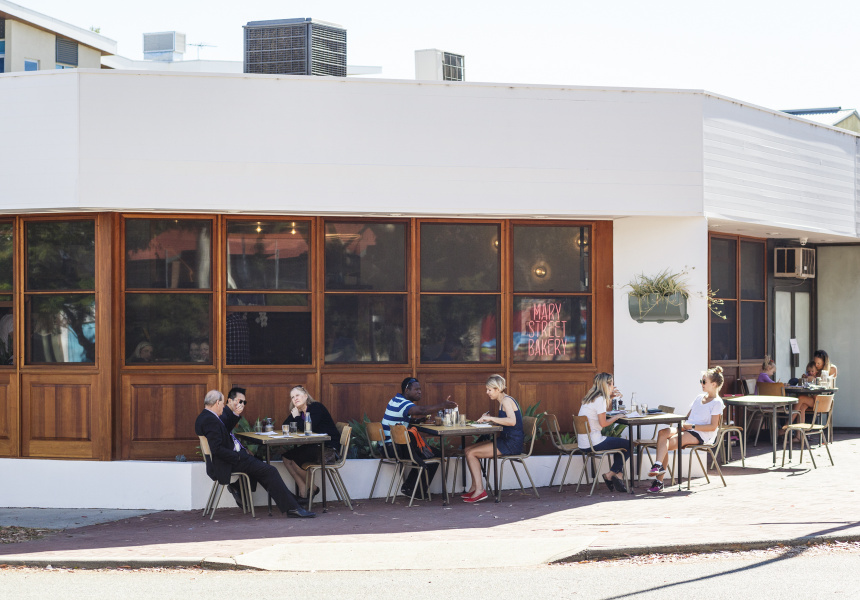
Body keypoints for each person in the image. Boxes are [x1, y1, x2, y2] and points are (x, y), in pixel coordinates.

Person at [194, 389, 314, 518]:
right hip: (225, 463)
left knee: (260, 466)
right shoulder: (210, 420)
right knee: (270, 471)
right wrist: (238, 456)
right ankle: (293, 508)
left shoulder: (205, 417)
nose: (223, 406)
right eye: (222, 403)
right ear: (217, 403)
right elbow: (217, 449)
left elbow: (222, 434)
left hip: (224, 461)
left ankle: (292, 503)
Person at [646, 367, 726, 493]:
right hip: (687, 428)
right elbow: (688, 416)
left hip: (701, 434)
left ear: (714, 384)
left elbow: (713, 426)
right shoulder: (699, 397)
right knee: (663, 433)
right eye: (701, 381)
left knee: (668, 442)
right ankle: (658, 465)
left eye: (704, 382)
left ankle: (659, 480)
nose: (701, 384)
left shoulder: (717, 403)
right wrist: (682, 424)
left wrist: (692, 427)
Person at [381, 377, 457, 496]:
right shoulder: (404, 403)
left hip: (388, 446)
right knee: (436, 454)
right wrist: (443, 405)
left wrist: (415, 421)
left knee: (427, 451)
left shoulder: (395, 400)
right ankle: (415, 491)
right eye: (416, 389)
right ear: (407, 390)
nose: (419, 392)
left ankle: (410, 488)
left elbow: (400, 420)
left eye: (420, 389)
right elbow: (421, 409)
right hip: (396, 448)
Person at [462, 374, 525, 503]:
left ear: (497, 389)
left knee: (472, 453)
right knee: (467, 449)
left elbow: (512, 421)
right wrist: (491, 420)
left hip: (511, 443)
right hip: (505, 440)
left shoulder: (506, 401)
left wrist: (491, 419)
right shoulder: (502, 401)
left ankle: (480, 490)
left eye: (489, 390)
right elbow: (506, 422)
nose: (487, 393)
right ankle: (474, 488)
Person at [281, 386, 340, 501]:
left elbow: (308, 428)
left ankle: (313, 489)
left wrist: (297, 417)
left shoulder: (316, 407)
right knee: (286, 458)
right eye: (292, 397)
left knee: (296, 461)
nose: (295, 399)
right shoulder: (299, 411)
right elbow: (285, 424)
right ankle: (303, 488)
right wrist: (295, 414)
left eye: (297, 395)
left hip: (328, 448)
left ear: (306, 396)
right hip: (314, 446)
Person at [575, 372, 629, 493]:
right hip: (594, 442)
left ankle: (617, 474)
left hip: (584, 442)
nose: (613, 385)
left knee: (621, 446)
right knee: (628, 444)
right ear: (608, 384)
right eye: (612, 383)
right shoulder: (600, 400)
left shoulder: (590, 398)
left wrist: (610, 397)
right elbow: (603, 424)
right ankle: (612, 474)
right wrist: (617, 416)